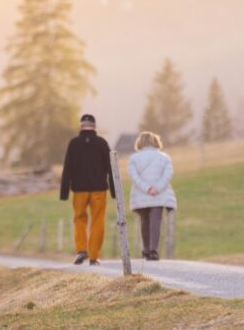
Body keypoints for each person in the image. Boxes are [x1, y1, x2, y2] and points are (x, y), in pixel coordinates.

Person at [60, 114, 115, 265]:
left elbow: (68, 167)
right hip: (99, 189)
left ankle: (81, 250)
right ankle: (93, 256)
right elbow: (111, 168)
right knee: (98, 220)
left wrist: (64, 192)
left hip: (79, 190)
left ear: (81, 126)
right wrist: (114, 191)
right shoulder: (102, 143)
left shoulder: (74, 143)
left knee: (79, 218)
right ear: (94, 126)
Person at [127, 131, 177, 261]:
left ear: (140, 142)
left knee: (144, 222)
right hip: (158, 196)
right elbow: (168, 175)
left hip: (141, 194)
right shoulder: (164, 157)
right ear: (156, 141)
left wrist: (146, 188)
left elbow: (134, 177)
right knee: (156, 222)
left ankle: (146, 249)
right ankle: (154, 250)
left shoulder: (134, 159)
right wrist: (156, 188)